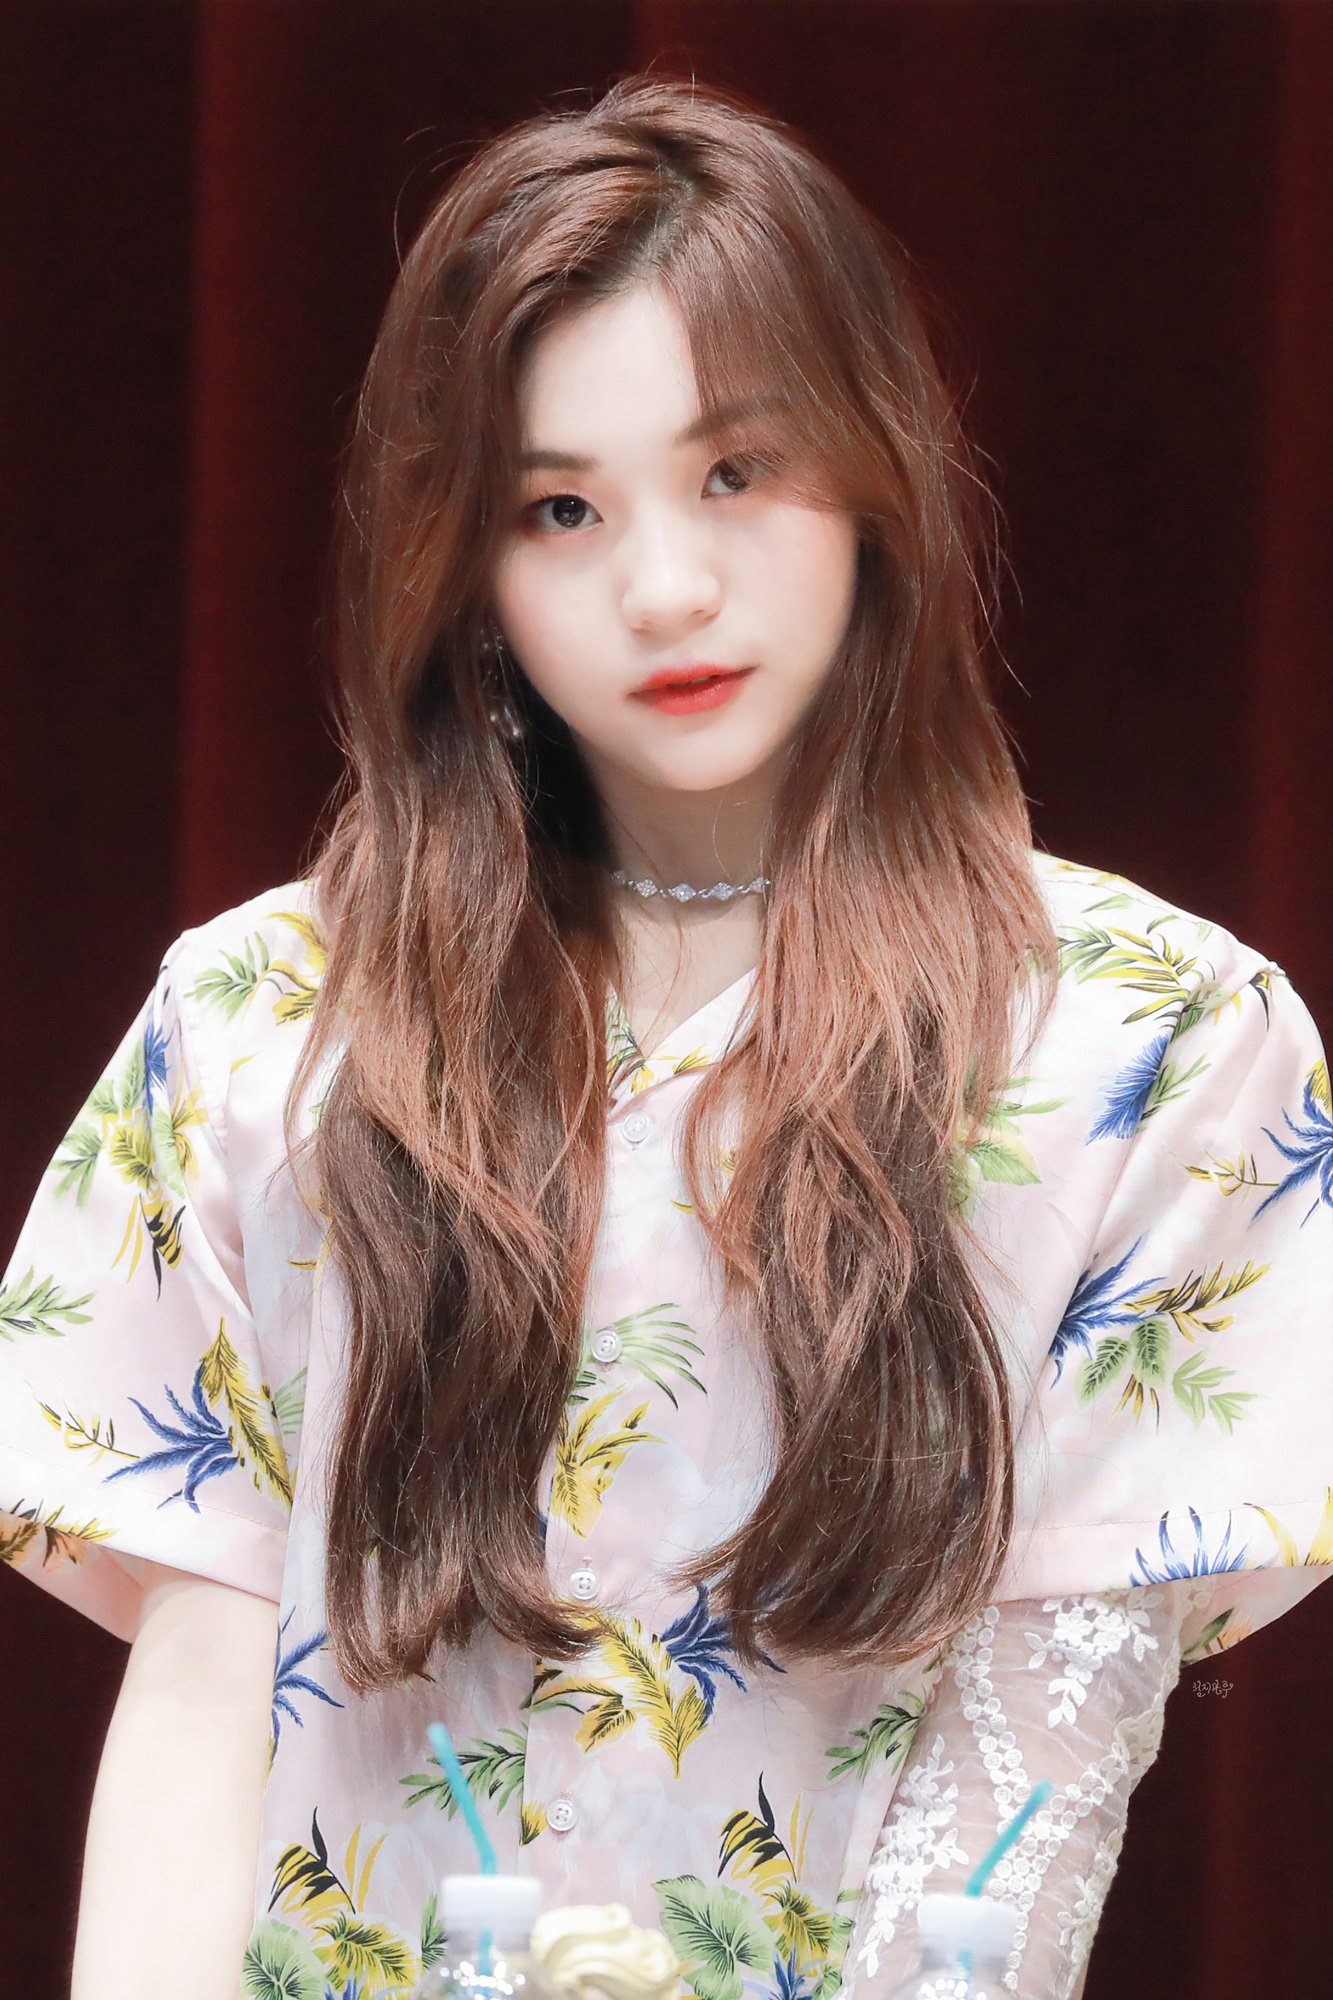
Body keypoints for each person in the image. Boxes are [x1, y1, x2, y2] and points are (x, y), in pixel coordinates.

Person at [2, 73, 1330, 2000]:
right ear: (464, 567)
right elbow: (205, 1704)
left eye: (734, 472)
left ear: (874, 471)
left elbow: (1030, 1792)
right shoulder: (261, 1023)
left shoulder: (1154, 1046)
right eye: (560, 508)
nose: (666, 587)